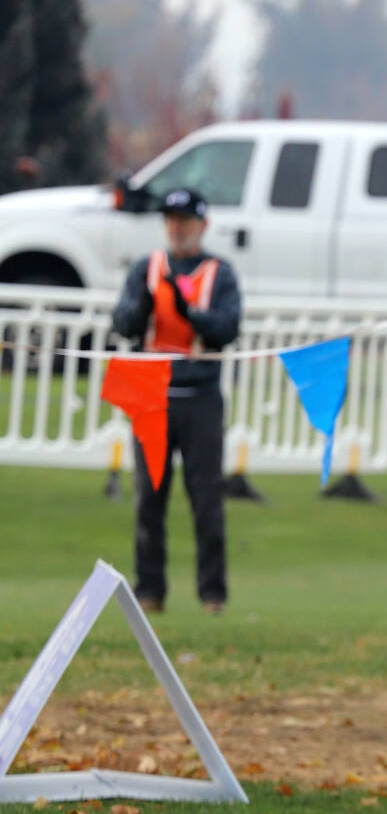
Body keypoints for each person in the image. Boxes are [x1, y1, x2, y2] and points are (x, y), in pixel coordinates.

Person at [110, 187, 243, 613]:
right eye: (171, 219)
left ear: (202, 224)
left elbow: (226, 328)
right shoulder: (146, 269)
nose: (177, 227)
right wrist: (144, 307)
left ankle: (212, 594)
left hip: (200, 395)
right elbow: (123, 323)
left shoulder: (220, 273)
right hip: (152, 395)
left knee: (206, 498)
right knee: (148, 497)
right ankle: (149, 592)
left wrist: (192, 314)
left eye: (185, 219)